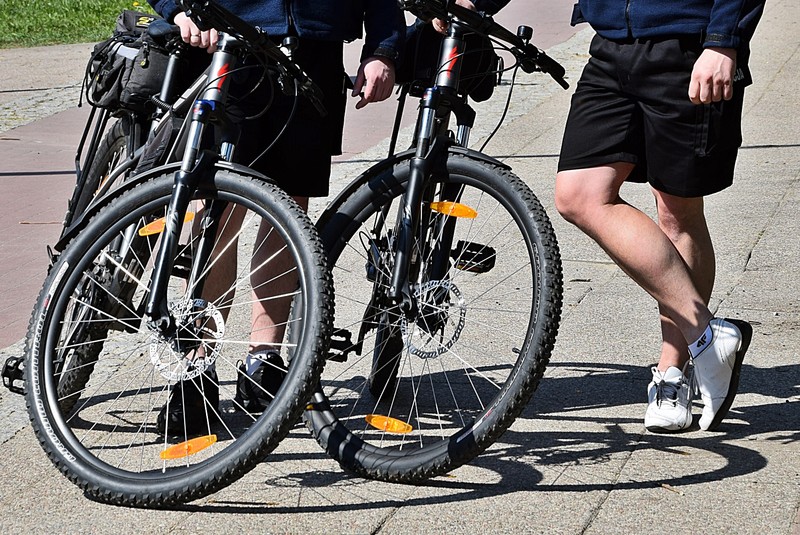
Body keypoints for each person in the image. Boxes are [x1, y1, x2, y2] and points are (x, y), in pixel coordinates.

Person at [146, 0, 405, 434]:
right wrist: (179, 8)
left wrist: (383, 48)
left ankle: (262, 362)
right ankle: (197, 368)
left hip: (312, 50)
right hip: (227, 40)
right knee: (218, 213)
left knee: (289, 213)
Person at [554, 0, 764, 432]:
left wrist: (724, 40)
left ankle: (674, 371)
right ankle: (708, 335)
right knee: (578, 195)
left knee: (677, 213)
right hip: (611, 44)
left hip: (690, 46)